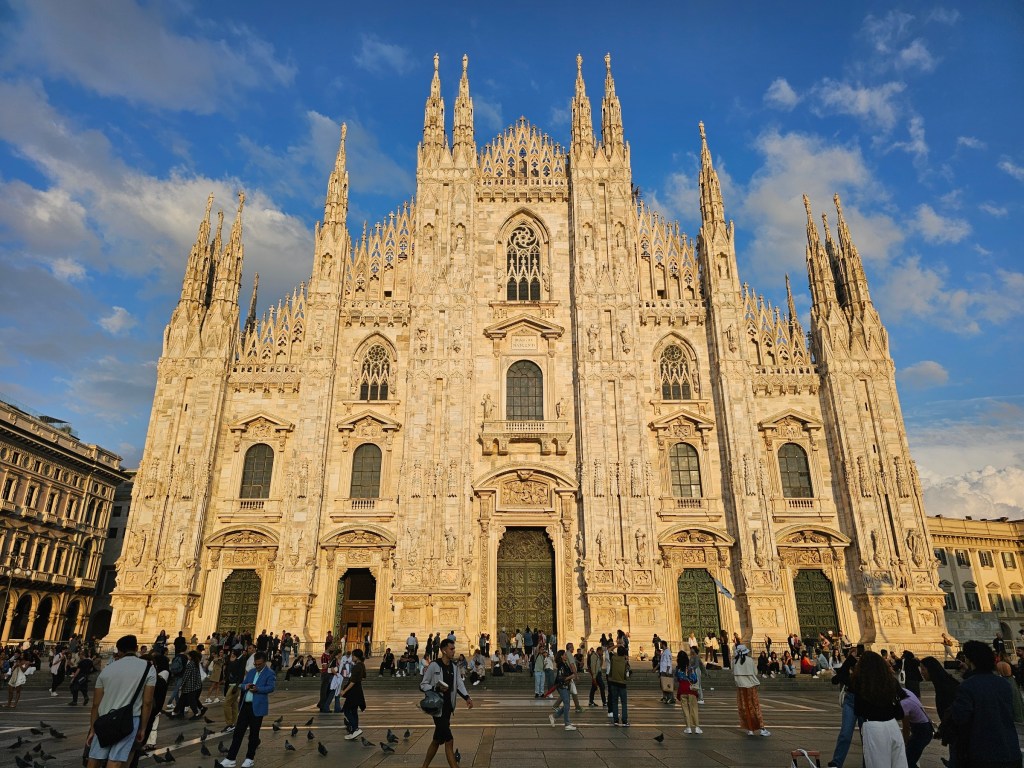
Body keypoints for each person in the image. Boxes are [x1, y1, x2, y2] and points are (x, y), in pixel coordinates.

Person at [942, 640, 1021, 768]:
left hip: (982, 753)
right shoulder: (1003, 684)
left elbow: (960, 718)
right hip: (1010, 750)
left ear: (969, 660)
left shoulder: (967, 686)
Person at [86, 635, 157, 768]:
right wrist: (143, 728)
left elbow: (96, 704)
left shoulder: (107, 669)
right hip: (129, 720)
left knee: (95, 757)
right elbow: (147, 702)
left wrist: (92, 729)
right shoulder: (148, 668)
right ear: (136, 648)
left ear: (118, 650)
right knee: (116, 760)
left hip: (104, 719)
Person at [420, 637, 474, 768]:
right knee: (449, 740)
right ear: (444, 650)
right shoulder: (434, 665)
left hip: (449, 707)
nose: (454, 651)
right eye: (451, 649)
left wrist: (467, 697)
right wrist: (435, 688)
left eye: (454, 648)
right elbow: (423, 684)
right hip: (438, 709)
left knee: (437, 740)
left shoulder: (454, 667)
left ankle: (424, 766)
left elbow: (459, 685)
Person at [850, 650, 906, 768]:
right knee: (899, 763)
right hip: (892, 725)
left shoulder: (861, 682)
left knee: (877, 764)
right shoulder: (890, 681)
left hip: (873, 727)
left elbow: (858, 710)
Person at [218, 651, 274, 768]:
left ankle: (250, 758)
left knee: (254, 734)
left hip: (257, 707)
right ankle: (231, 758)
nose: (257, 666)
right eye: (255, 664)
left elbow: (271, 687)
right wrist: (246, 686)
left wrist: (258, 689)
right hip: (245, 706)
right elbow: (242, 684)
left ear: (264, 662)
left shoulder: (270, 673)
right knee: (238, 732)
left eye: (259, 664)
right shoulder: (252, 672)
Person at [829, 645, 861, 768]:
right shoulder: (847, 668)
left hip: (864, 702)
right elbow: (836, 679)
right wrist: (848, 662)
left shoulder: (865, 668)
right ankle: (837, 762)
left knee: (866, 735)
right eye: (852, 654)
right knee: (845, 733)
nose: (855, 656)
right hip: (850, 701)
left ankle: (868, 762)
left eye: (856, 654)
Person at [733, 644, 769, 737]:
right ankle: (762, 728)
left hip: (740, 687)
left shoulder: (734, 661)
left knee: (744, 708)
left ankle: (750, 729)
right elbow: (755, 672)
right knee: (755, 706)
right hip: (751, 686)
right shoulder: (749, 660)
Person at [547, 649, 577, 730]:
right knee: (567, 704)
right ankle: (567, 724)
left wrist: (573, 674)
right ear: (561, 656)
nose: (566, 656)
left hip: (565, 686)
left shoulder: (565, 664)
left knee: (567, 705)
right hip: (562, 686)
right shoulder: (561, 665)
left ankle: (554, 716)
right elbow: (561, 678)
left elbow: (569, 673)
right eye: (564, 655)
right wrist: (571, 677)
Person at [341, 648, 367, 740]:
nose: (352, 657)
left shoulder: (356, 667)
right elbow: (363, 677)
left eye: (353, 656)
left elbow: (352, 682)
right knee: (354, 711)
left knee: (347, 710)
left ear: (356, 657)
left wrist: (344, 691)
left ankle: (355, 729)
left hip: (354, 692)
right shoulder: (362, 665)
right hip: (358, 691)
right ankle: (353, 731)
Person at [675, 649, 701, 734]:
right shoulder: (689, 667)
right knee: (694, 708)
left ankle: (688, 727)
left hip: (682, 689)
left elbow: (677, 678)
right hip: (690, 689)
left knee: (685, 709)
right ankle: (697, 727)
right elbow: (694, 679)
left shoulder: (678, 668)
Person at [222, 648, 245, 732]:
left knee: (226, 704)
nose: (232, 654)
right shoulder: (234, 660)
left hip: (235, 684)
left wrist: (237, 685)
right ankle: (234, 722)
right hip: (232, 684)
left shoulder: (240, 660)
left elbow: (240, 673)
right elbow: (228, 671)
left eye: (233, 652)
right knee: (234, 704)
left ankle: (229, 723)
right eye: (232, 652)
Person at [607, 645, 630, 727]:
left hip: (613, 682)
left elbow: (608, 650)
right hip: (622, 683)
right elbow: (628, 672)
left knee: (614, 702)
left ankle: (616, 720)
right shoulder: (625, 660)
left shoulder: (613, 658)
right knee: (624, 703)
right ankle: (624, 721)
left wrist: (617, 645)